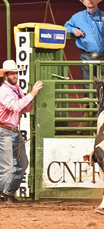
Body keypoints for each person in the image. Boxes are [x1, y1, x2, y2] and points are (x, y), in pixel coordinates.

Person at [0, 60, 43, 205]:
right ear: (5, 76)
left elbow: (23, 108)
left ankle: (8, 192)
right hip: (4, 130)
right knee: (6, 166)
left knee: (22, 163)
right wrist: (32, 94)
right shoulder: (4, 91)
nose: (15, 76)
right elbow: (16, 107)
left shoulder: (16, 88)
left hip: (12, 130)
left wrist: (29, 100)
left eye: (16, 73)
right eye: (12, 73)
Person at [64, 0, 104, 94]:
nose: (89, 0)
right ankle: (88, 109)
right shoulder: (77, 17)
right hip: (86, 56)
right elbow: (65, 27)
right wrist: (73, 30)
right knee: (87, 86)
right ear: (83, 2)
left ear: (97, 0)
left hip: (103, 57)